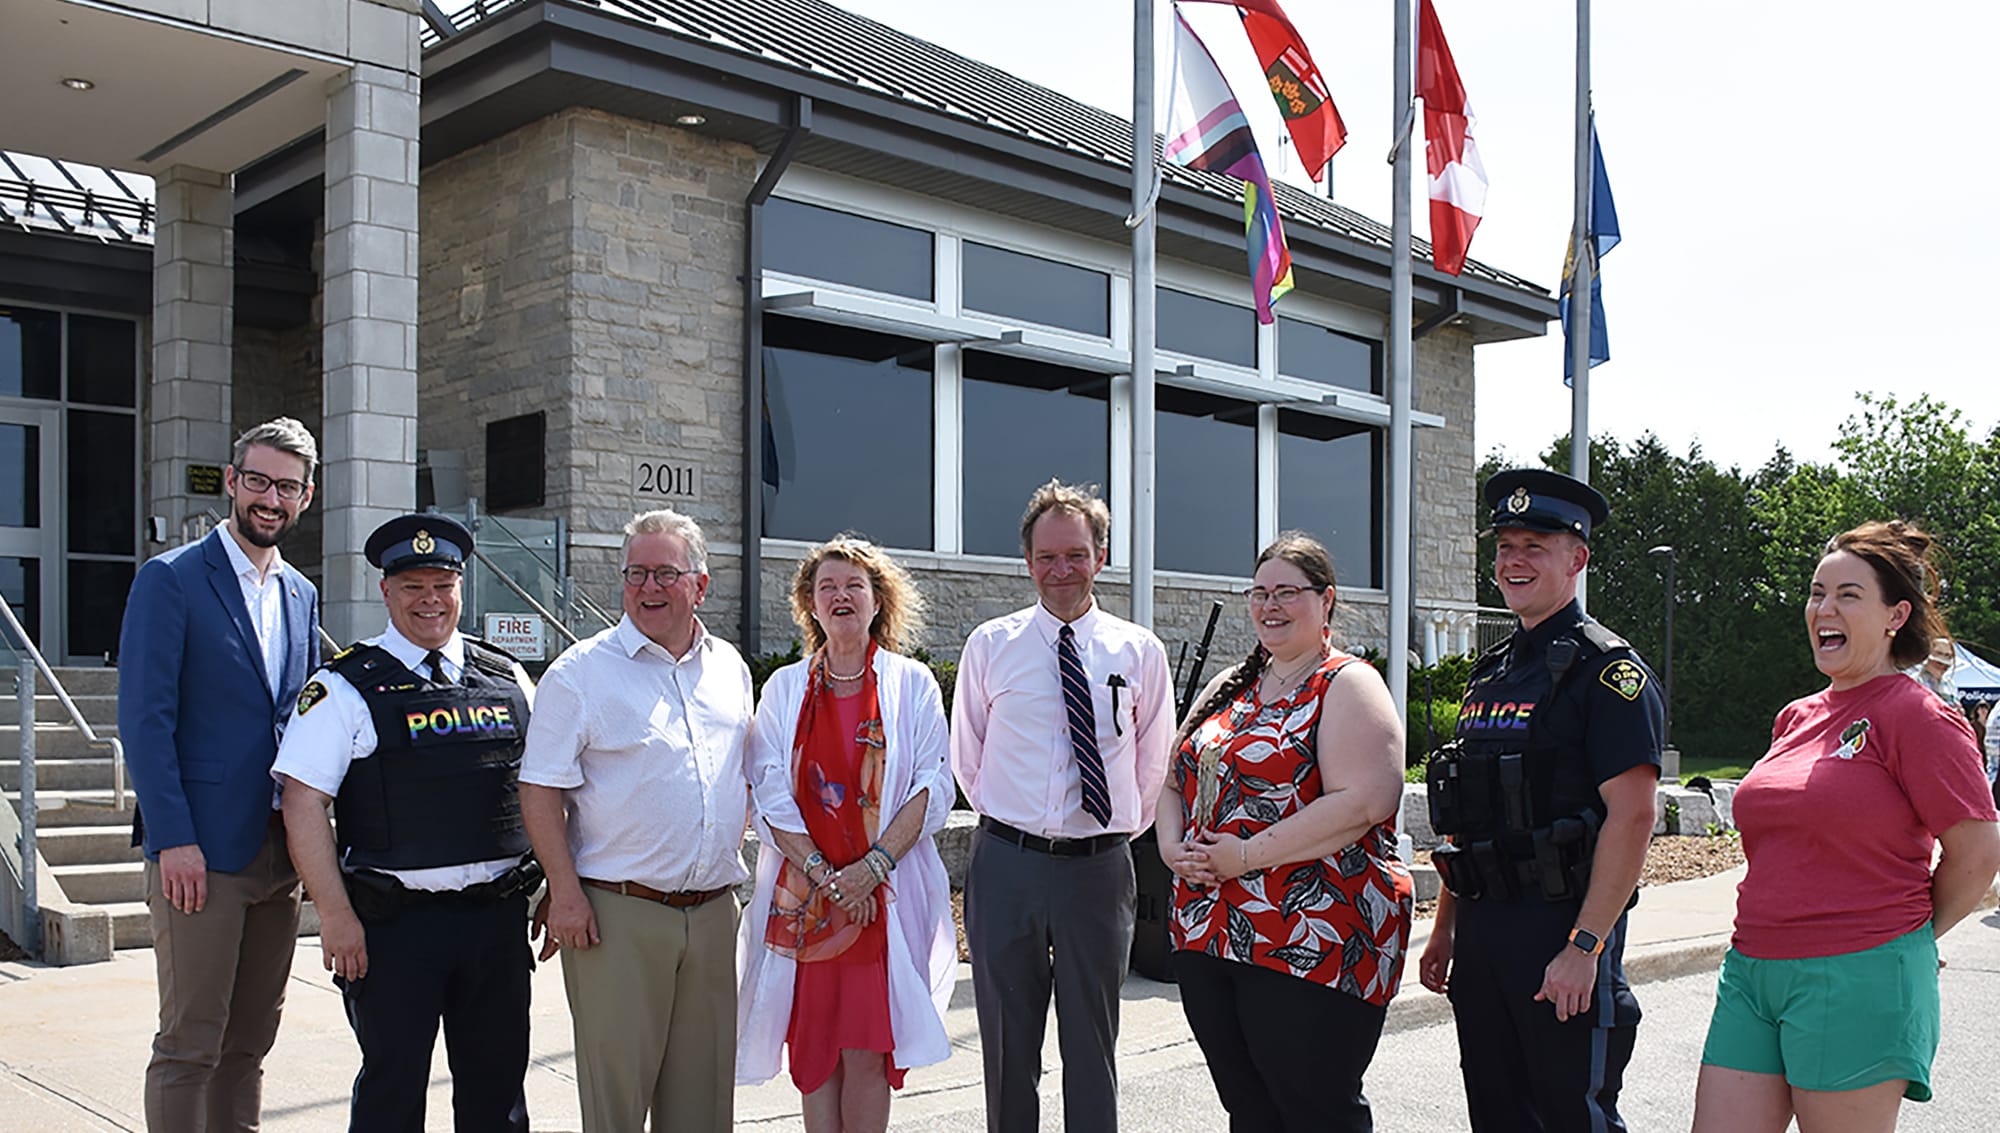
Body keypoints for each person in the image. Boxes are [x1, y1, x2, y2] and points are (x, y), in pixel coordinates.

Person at [1691, 520, 2000, 1132]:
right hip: (1753, 969)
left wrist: (1911, 937)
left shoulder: (1917, 716)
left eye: (1848, 595)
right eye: (1816, 593)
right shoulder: (1796, 716)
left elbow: (1978, 849)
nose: (1823, 608)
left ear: (1895, 615)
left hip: (1858, 971)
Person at [273, 513, 542, 1132]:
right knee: (393, 1095)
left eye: (442, 584)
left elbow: (542, 788)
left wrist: (554, 886)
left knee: (498, 1095)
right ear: (385, 590)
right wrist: (335, 918)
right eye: (413, 586)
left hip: (497, 925)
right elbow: (302, 802)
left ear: (461, 587)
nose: (430, 600)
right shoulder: (343, 688)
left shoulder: (506, 678)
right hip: (394, 932)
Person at [1417, 468, 1664, 1133]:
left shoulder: (1607, 673)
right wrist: (1446, 929)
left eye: (1536, 544)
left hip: (1562, 926)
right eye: (1506, 545)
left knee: (1571, 1115)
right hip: (1486, 930)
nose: (1514, 559)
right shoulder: (1491, 668)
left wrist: (1585, 945)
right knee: (1497, 1114)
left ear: (1577, 558)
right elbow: (1469, 817)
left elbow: (1635, 815)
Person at [1156, 533, 1411, 1132]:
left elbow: (1369, 799)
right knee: (1250, 1110)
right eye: (1260, 593)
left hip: (1310, 938)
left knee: (1315, 1110)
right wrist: (1171, 850)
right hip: (1210, 932)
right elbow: (1170, 778)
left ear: (1326, 601)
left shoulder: (1347, 683)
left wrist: (1244, 855)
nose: (1271, 605)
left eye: (1288, 593)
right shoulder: (1230, 685)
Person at [519, 508, 754, 1132]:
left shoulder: (730, 668)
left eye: (665, 574)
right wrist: (563, 893)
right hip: (616, 916)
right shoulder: (580, 673)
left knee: (703, 1109)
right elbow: (539, 790)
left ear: (700, 585)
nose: (648, 588)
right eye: (636, 573)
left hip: (711, 914)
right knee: (617, 1107)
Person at [951, 479, 1176, 1133]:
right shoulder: (991, 645)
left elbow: (1153, 762)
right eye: (1047, 557)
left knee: (1092, 1047)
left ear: (1100, 556)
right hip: (1007, 864)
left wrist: (1104, 830)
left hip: (1098, 871)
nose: (1061, 570)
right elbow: (969, 756)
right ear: (1027, 561)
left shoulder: (1139, 652)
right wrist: (1019, 822)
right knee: (1007, 1047)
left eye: (1075, 554)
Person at [118, 417, 321, 1132]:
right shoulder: (170, 579)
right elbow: (145, 719)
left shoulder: (301, 592)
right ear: (232, 481)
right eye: (259, 480)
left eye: (287, 486)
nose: (271, 497)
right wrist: (173, 837)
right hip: (200, 850)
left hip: (277, 849)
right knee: (189, 1043)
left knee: (249, 1044)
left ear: (307, 496)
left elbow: (302, 716)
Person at [736, 536, 957, 1132]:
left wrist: (871, 869)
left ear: (877, 599)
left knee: (866, 1051)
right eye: (826, 586)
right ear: (809, 603)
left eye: (853, 585)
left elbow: (934, 786)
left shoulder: (912, 685)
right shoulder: (783, 689)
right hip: (808, 902)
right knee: (816, 1054)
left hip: (877, 903)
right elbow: (769, 791)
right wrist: (825, 877)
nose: (840, 596)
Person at [1910, 636, 1959, 703]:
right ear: (1927, 661)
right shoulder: (1914, 681)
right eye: (1939, 663)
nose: (1943, 667)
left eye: (1946, 665)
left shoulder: (1950, 684)